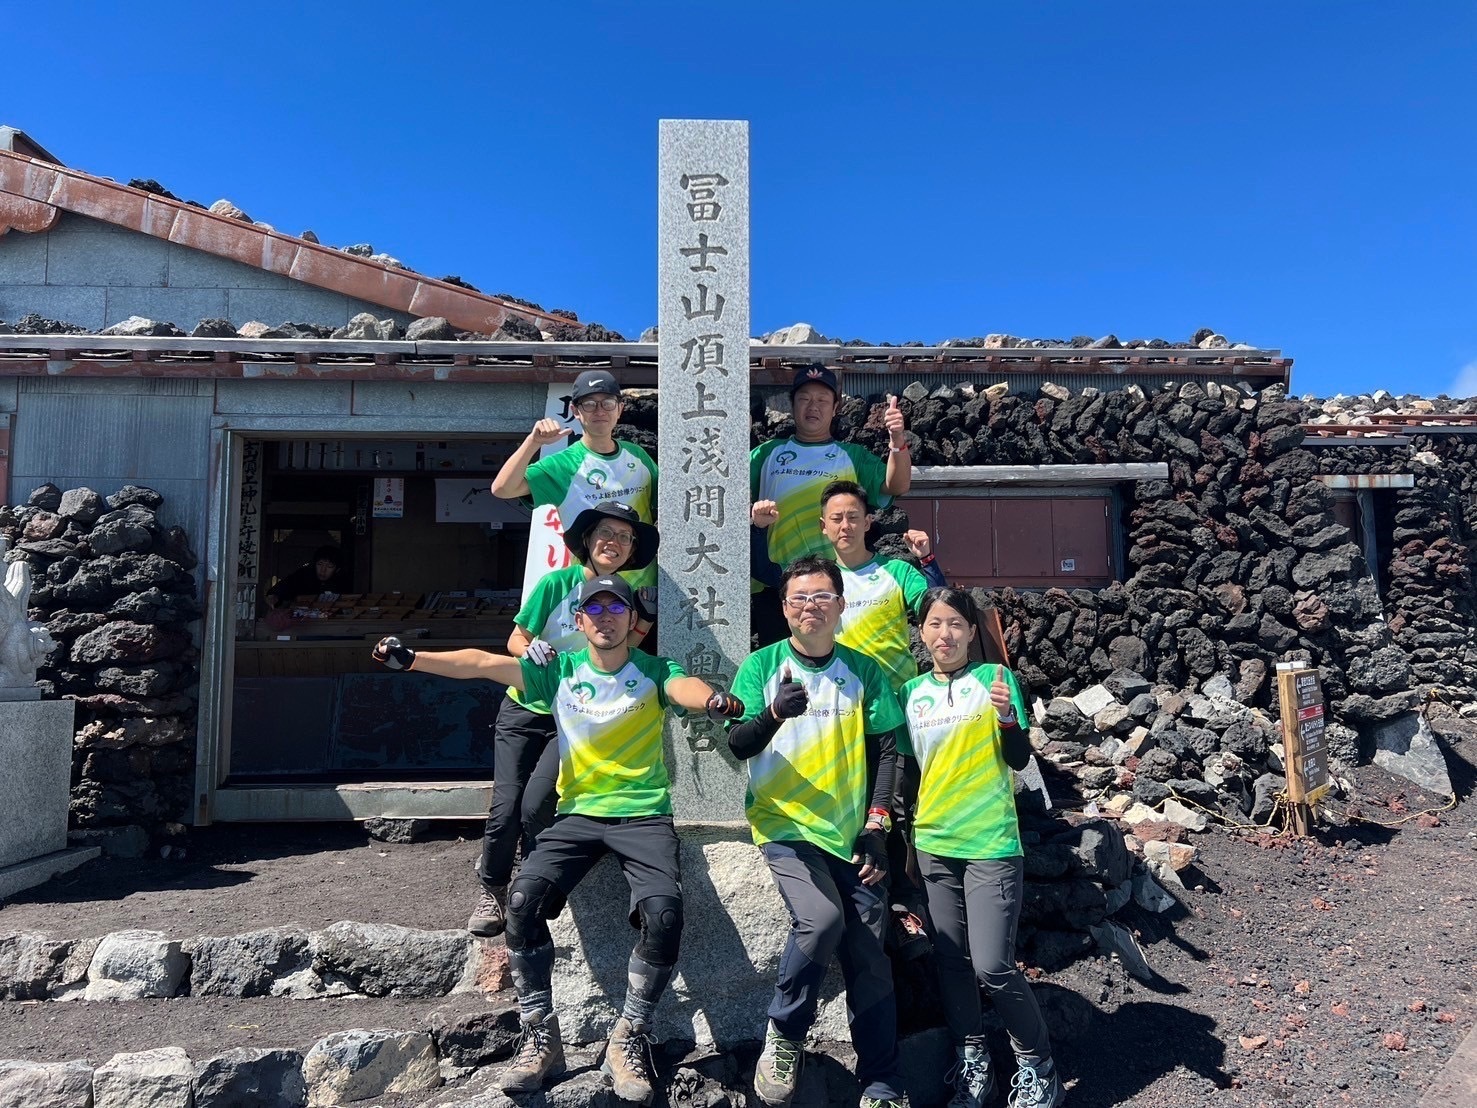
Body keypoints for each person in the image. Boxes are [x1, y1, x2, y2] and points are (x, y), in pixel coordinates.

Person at [373, 575, 743, 1105]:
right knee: (521, 902)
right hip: (576, 816)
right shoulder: (559, 672)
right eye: (595, 608)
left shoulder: (654, 671)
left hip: (643, 817)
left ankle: (628, 1036)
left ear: (632, 623)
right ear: (579, 622)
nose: (606, 616)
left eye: (617, 607)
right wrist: (413, 660)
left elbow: (685, 689)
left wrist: (713, 701)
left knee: (664, 916)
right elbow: (481, 663)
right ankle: (540, 1036)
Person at [726, 554, 909, 1108]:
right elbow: (737, 744)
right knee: (822, 918)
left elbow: (889, 751)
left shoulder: (865, 670)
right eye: (799, 597)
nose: (810, 606)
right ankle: (783, 1036)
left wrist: (877, 826)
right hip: (785, 825)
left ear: (841, 605)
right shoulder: (761, 667)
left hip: (853, 833)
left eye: (822, 596)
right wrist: (774, 713)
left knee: (870, 959)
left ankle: (881, 1084)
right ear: (783, 609)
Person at [898, 588, 1064, 1108]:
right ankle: (973, 1061)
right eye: (933, 624)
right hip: (933, 841)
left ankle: (1037, 1065)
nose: (943, 634)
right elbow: (906, 771)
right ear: (920, 634)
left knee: (992, 964)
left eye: (954, 624)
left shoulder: (997, 681)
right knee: (950, 959)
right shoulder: (911, 694)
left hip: (990, 840)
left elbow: (1017, 759)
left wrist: (1008, 719)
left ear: (972, 632)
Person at [467, 502, 659, 938]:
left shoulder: (628, 593)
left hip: (575, 715)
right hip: (527, 705)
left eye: (624, 537)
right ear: (587, 541)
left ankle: (538, 880)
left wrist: (644, 617)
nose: (613, 543)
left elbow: (630, 646)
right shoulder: (557, 583)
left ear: (632, 551)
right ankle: (492, 888)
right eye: (604, 534)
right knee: (505, 807)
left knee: (538, 803)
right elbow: (517, 637)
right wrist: (527, 651)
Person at [749, 365, 910, 644]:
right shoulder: (766, 454)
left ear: (835, 408)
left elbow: (896, 485)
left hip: (832, 586)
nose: (813, 407)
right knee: (779, 677)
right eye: (804, 399)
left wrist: (897, 440)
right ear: (792, 405)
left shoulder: (852, 456)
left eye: (822, 400)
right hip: (774, 585)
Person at [492, 368, 659, 591]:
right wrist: (533, 442)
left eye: (607, 403)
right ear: (575, 411)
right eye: (589, 404)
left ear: (620, 409)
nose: (599, 411)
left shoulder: (638, 456)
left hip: (644, 588)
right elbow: (502, 489)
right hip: (591, 591)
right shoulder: (562, 465)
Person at [263, 545, 348, 610]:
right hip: (302, 623)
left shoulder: (341, 581)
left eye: (329, 566)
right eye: (319, 564)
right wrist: (274, 595)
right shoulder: (304, 575)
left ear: (337, 569)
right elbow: (286, 585)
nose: (323, 570)